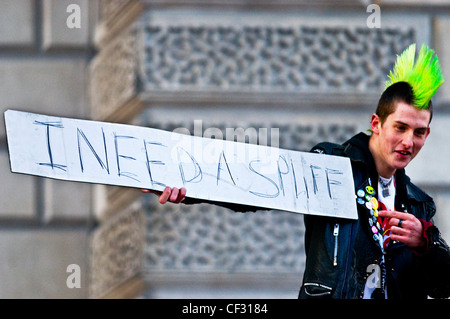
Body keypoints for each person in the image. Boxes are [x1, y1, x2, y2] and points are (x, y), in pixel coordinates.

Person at [144, 43, 450, 299]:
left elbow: (443, 286)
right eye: (400, 127)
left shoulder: (418, 203)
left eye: (420, 132)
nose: (409, 141)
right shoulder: (330, 165)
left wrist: (425, 240)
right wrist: (185, 185)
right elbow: (255, 186)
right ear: (376, 124)